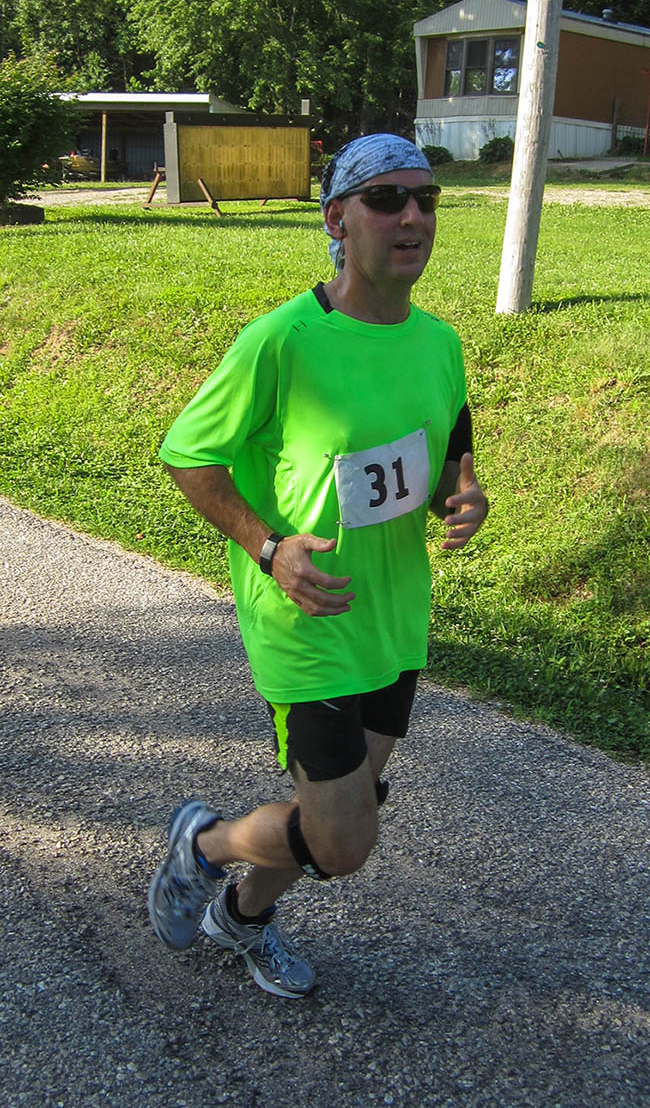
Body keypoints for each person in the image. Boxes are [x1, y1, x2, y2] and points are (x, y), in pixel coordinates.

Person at [148, 134, 488, 999]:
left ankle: (241, 915)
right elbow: (188, 454)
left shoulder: (439, 342)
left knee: (345, 808)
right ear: (337, 219)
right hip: (307, 618)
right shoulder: (282, 340)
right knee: (345, 839)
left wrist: (464, 495)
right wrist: (268, 547)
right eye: (386, 199)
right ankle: (203, 844)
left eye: (425, 199)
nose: (412, 216)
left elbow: (448, 453)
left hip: (394, 617)